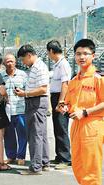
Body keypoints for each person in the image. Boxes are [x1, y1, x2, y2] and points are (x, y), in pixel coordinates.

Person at [57, 39, 104, 185]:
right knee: (77, 165)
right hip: (76, 125)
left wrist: (86, 112)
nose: (81, 57)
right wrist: (64, 106)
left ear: (93, 56)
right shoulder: (74, 81)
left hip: (93, 125)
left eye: (85, 53)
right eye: (78, 54)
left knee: (91, 165)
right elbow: (69, 103)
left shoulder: (98, 79)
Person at [15, 44, 50, 175]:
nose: (23, 62)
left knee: (35, 135)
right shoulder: (36, 67)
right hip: (36, 101)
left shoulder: (39, 67)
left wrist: (25, 94)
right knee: (41, 134)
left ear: (29, 55)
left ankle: (36, 167)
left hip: (36, 102)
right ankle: (44, 162)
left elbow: (43, 89)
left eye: (23, 59)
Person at [46, 40, 72, 170]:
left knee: (61, 128)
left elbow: (65, 84)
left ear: (51, 51)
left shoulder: (63, 64)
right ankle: (59, 155)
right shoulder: (58, 64)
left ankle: (66, 158)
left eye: (48, 53)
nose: (48, 55)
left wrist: (61, 102)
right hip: (55, 96)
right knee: (57, 127)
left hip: (60, 97)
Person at [2, 53, 27, 166]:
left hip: (21, 110)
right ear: (4, 63)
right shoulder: (1, 77)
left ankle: (21, 156)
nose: (10, 63)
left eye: (11, 61)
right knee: (9, 135)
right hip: (7, 111)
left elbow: (29, 90)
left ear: (15, 62)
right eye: (7, 61)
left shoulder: (23, 75)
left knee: (22, 134)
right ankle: (11, 156)